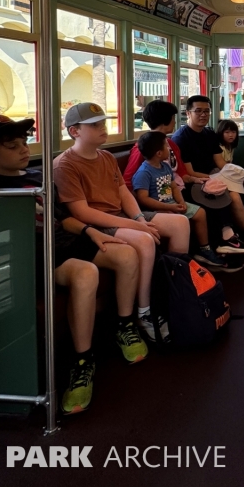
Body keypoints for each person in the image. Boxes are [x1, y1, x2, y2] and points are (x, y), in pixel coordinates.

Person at [0, 114, 147, 415]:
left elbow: (60, 217)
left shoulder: (36, 176)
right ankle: (83, 360)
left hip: (61, 241)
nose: (23, 150)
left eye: (24, 143)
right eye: (11, 145)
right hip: (28, 253)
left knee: (126, 254)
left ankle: (125, 325)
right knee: (86, 272)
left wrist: (89, 230)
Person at [55, 102, 190, 344]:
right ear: (75, 131)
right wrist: (137, 226)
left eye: (103, 124)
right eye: (95, 126)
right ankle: (144, 310)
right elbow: (82, 212)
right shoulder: (65, 164)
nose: (103, 129)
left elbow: (123, 193)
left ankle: (175, 295)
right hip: (99, 223)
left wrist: (138, 218)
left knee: (180, 223)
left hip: (122, 215)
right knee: (145, 240)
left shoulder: (106, 157)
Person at [124, 100, 234, 269]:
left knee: (210, 199)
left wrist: (198, 180)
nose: (175, 121)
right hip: (155, 198)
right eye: (173, 118)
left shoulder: (171, 144)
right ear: (166, 120)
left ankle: (211, 246)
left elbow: (182, 174)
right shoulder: (144, 147)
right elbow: (128, 180)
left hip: (176, 191)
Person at [173, 95, 244, 254]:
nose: (203, 114)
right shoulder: (181, 138)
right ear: (188, 113)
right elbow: (190, 172)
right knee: (234, 196)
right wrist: (220, 179)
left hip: (217, 175)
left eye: (207, 111)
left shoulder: (209, 134)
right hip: (198, 182)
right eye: (198, 111)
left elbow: (220, 163)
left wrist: (235, 176)